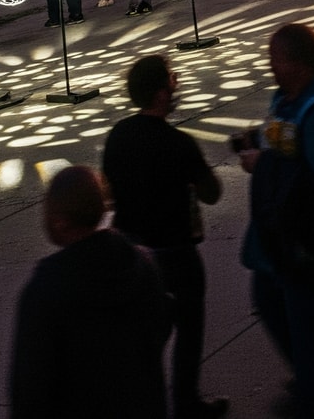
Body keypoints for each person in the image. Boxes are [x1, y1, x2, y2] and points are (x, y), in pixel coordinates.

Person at [236, 24, 314, 419]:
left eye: (277, 57)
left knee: (304, 327)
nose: (270, 64)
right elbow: (283, 141)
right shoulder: (288, 99)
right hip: (279, 240)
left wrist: (264, 162)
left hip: (305, 243)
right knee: (270, 303)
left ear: (298, 63)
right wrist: (257, 139)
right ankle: (310, 380)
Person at [104, 56, 227, 419]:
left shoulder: (118, 136)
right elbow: (211, 193)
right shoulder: (178, 142)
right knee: (188, 333)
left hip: (133, 255)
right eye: (172, 81)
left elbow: (109, 192)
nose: (176, 87)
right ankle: (186, 402)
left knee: (143, 340)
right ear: (160, 93)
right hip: (176, 254)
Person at [11, 164, 173, 419]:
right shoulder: (142, 262)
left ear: (60, 221)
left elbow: (30, 391)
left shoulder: (45, 290)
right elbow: (160, 327)